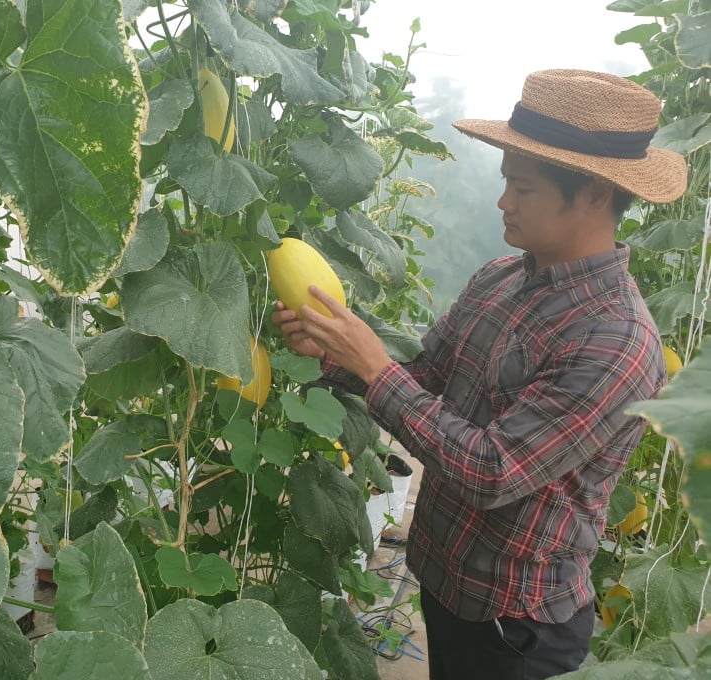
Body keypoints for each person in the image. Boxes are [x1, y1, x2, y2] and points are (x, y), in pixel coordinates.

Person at [272, 69, 687, 679]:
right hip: (448, 589)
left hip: (518, 631)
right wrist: (334, 354)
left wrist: (374, 365)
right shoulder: (500, 277)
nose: (504, 202)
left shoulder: (617, 341)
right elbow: (427, 375)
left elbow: (492, 473)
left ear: (596, 193)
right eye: (505, 183)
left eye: (523, 188)